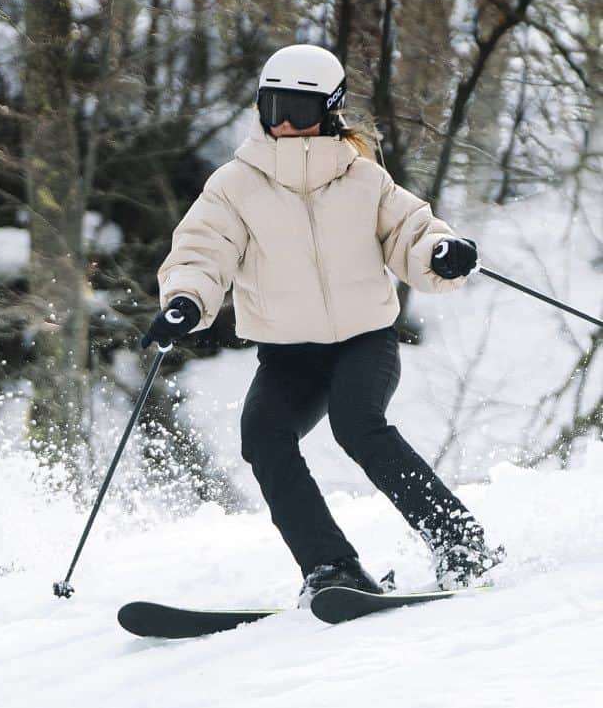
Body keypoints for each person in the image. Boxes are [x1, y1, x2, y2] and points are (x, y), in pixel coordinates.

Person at [143, 44, 503, 599]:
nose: (285, 122)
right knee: (264, 437)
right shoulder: (234, 186)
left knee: (357, 424)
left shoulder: (365, 180)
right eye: (273, 107)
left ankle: (459, 542)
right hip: (289, 356)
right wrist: (187, 300)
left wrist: (441, 252)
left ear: (329, 112)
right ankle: (331, 567)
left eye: (301, 110)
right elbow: (201, 252)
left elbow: (411, 232)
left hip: (365, 341)